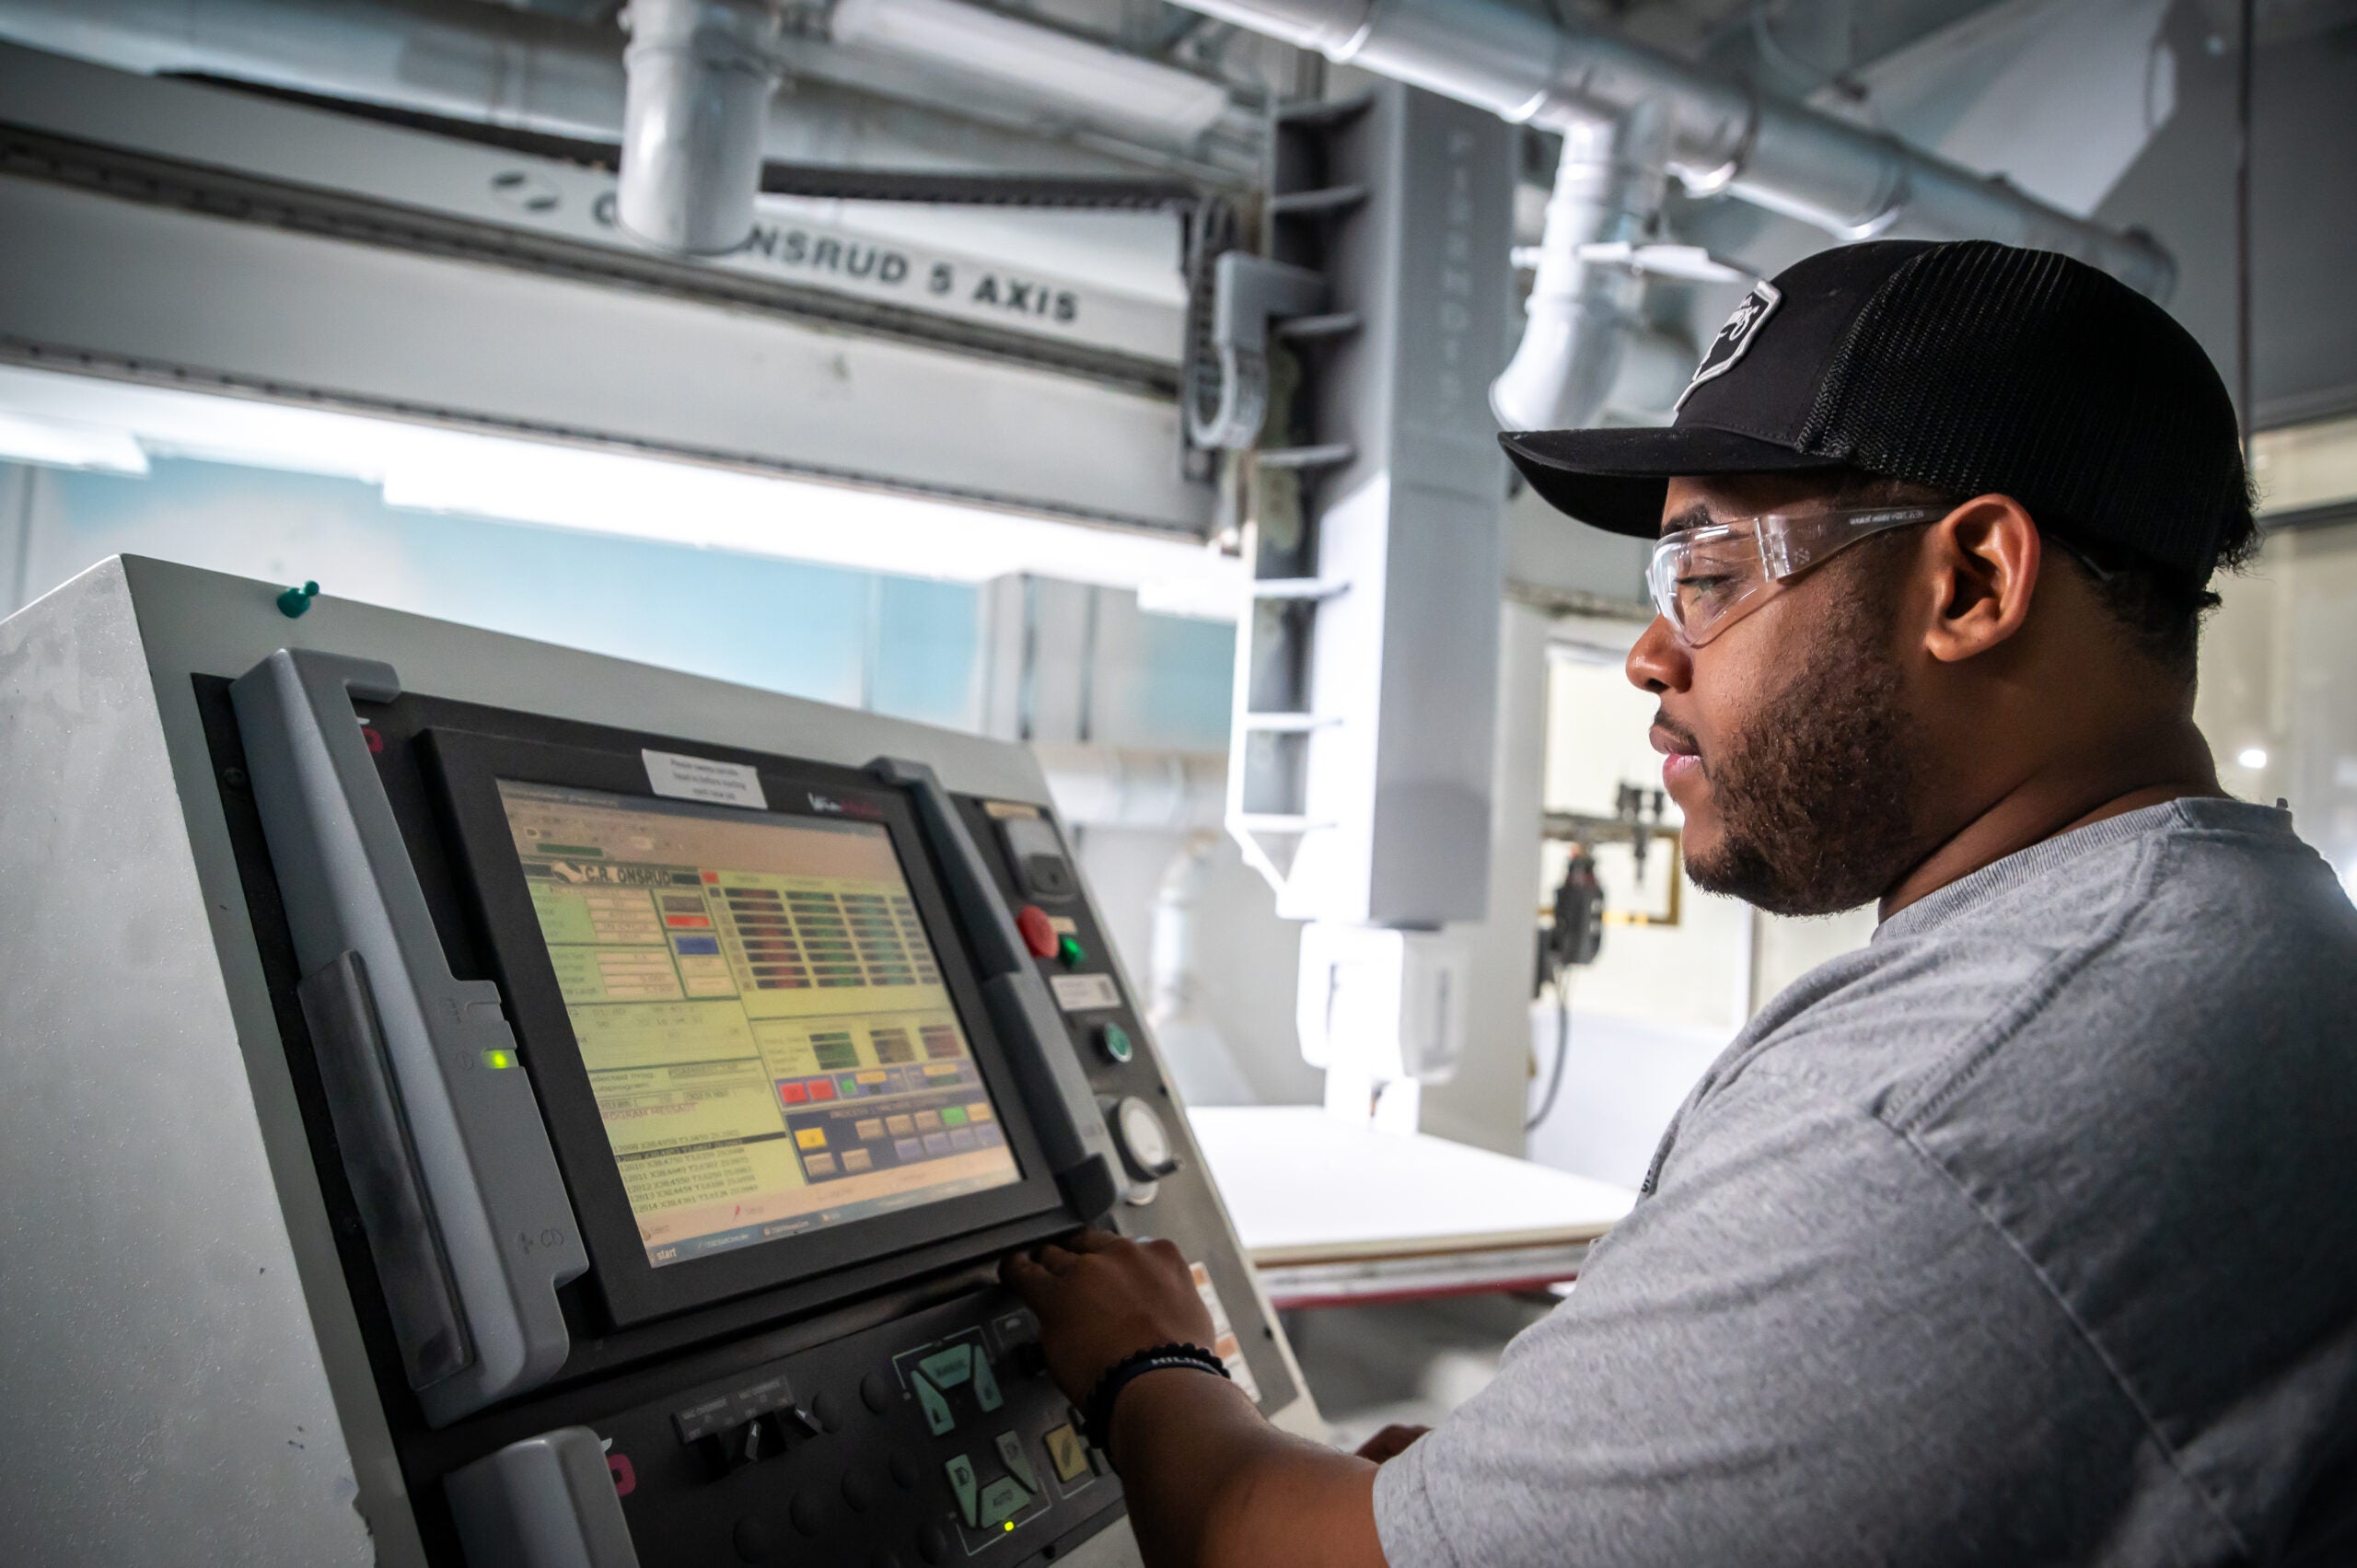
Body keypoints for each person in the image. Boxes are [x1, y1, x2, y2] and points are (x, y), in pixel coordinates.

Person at [1002, 239, 2357, 1567]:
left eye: (1707, 576)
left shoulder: (1938, 1105)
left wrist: (1150, 1361)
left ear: (1974, 583)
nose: (1650, 655)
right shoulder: (2264, 934)